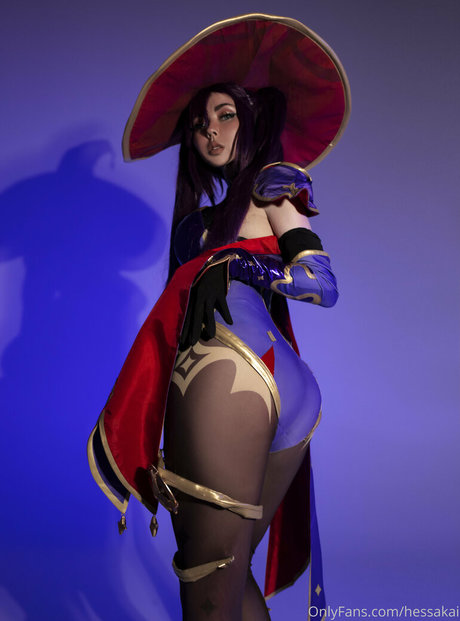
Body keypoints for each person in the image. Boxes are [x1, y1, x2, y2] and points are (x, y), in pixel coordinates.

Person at [88, 13, 350, 621]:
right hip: (265, 387)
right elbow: (179, 330)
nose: (210, 130)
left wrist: (241, 264)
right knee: (230, 575)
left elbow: (322, 284)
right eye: (200, 123)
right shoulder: (193, 229)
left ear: (252, 116)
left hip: (233, 378)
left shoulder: (269, 187)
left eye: (225, 114)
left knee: (205, 581)